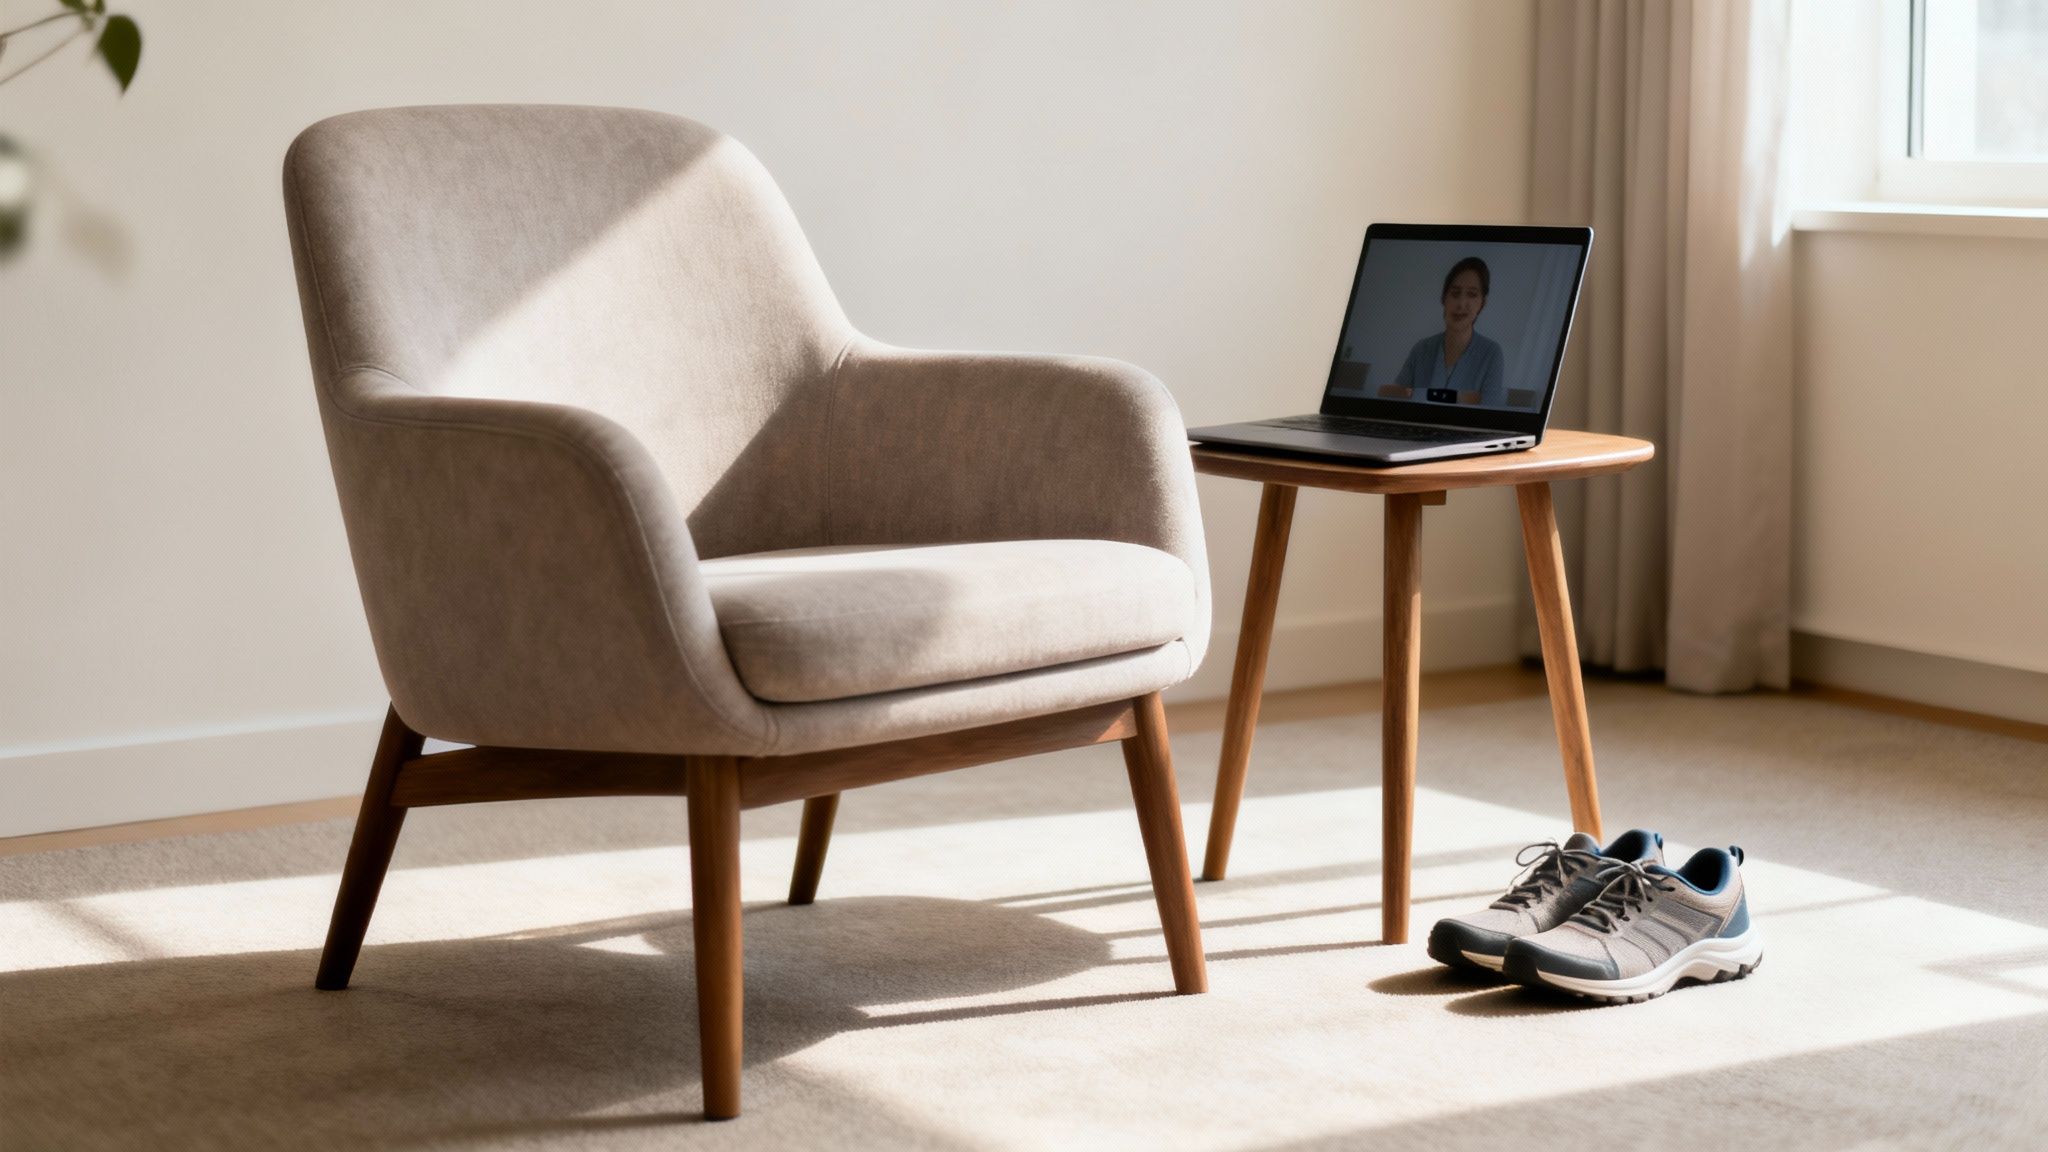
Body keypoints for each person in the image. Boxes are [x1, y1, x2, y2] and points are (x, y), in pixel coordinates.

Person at [1386, 256, 1506, 407]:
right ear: (1444, 298)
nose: (1461, 304)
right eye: (1455, 293)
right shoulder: (1421, 349)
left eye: (1472, 294)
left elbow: (1489, 410)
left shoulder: (1491, 354)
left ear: (1482, 303)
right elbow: (1395, 400)